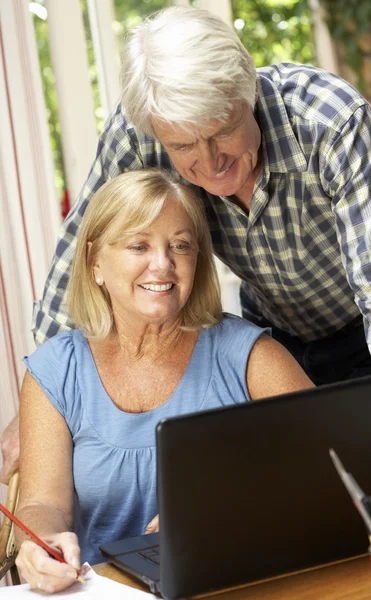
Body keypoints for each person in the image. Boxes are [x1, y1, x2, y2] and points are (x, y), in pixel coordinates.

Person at [2, 4, 371, 482]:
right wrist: (38, 405)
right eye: (184, 147)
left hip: (362, 332)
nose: (211, 164)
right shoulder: (142, 128)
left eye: (222, 132)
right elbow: (82, 248)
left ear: (249, 89)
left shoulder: (330, 122)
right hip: (273, 335)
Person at [15, 169, 312, 592]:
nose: (163, 264)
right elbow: (43, 503)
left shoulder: (250, 357)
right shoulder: (54, 371)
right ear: (94, 261)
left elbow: (329, 471)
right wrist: (41, 544)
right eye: (139, 245)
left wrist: (231, 506)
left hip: (235, 583)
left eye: (180, 245)